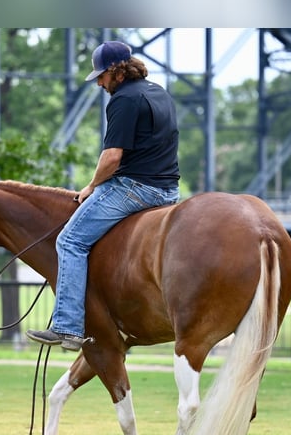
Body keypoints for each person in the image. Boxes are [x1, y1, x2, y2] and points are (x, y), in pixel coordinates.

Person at [26, 40, 181, 351]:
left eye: (101, 75)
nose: (98, 82)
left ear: (116, 72)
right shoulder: (159, 93)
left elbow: (112, 158)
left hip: (135, 189)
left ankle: (67, 328)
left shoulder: (123, 99)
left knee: (70, 241)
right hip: (169, 191)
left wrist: (92, 185)